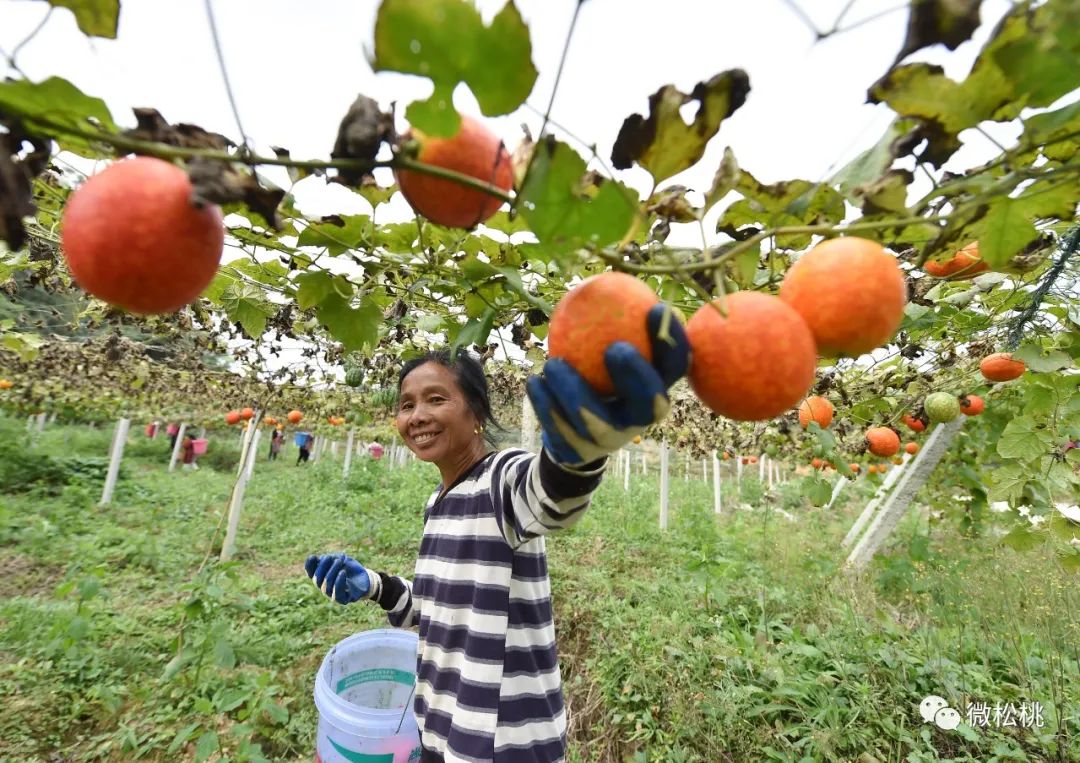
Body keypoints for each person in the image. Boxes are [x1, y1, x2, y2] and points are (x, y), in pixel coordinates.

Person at [304, 305, 689, 763]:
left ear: (476, 414)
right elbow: (437, 614)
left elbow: (551, 496)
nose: (417, 415)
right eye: (407, 405)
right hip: (442, 732)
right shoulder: (438, 503)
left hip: (507, 744)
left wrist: (578, 455)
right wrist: (375, 586)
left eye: (436, 399)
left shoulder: (500, 478)